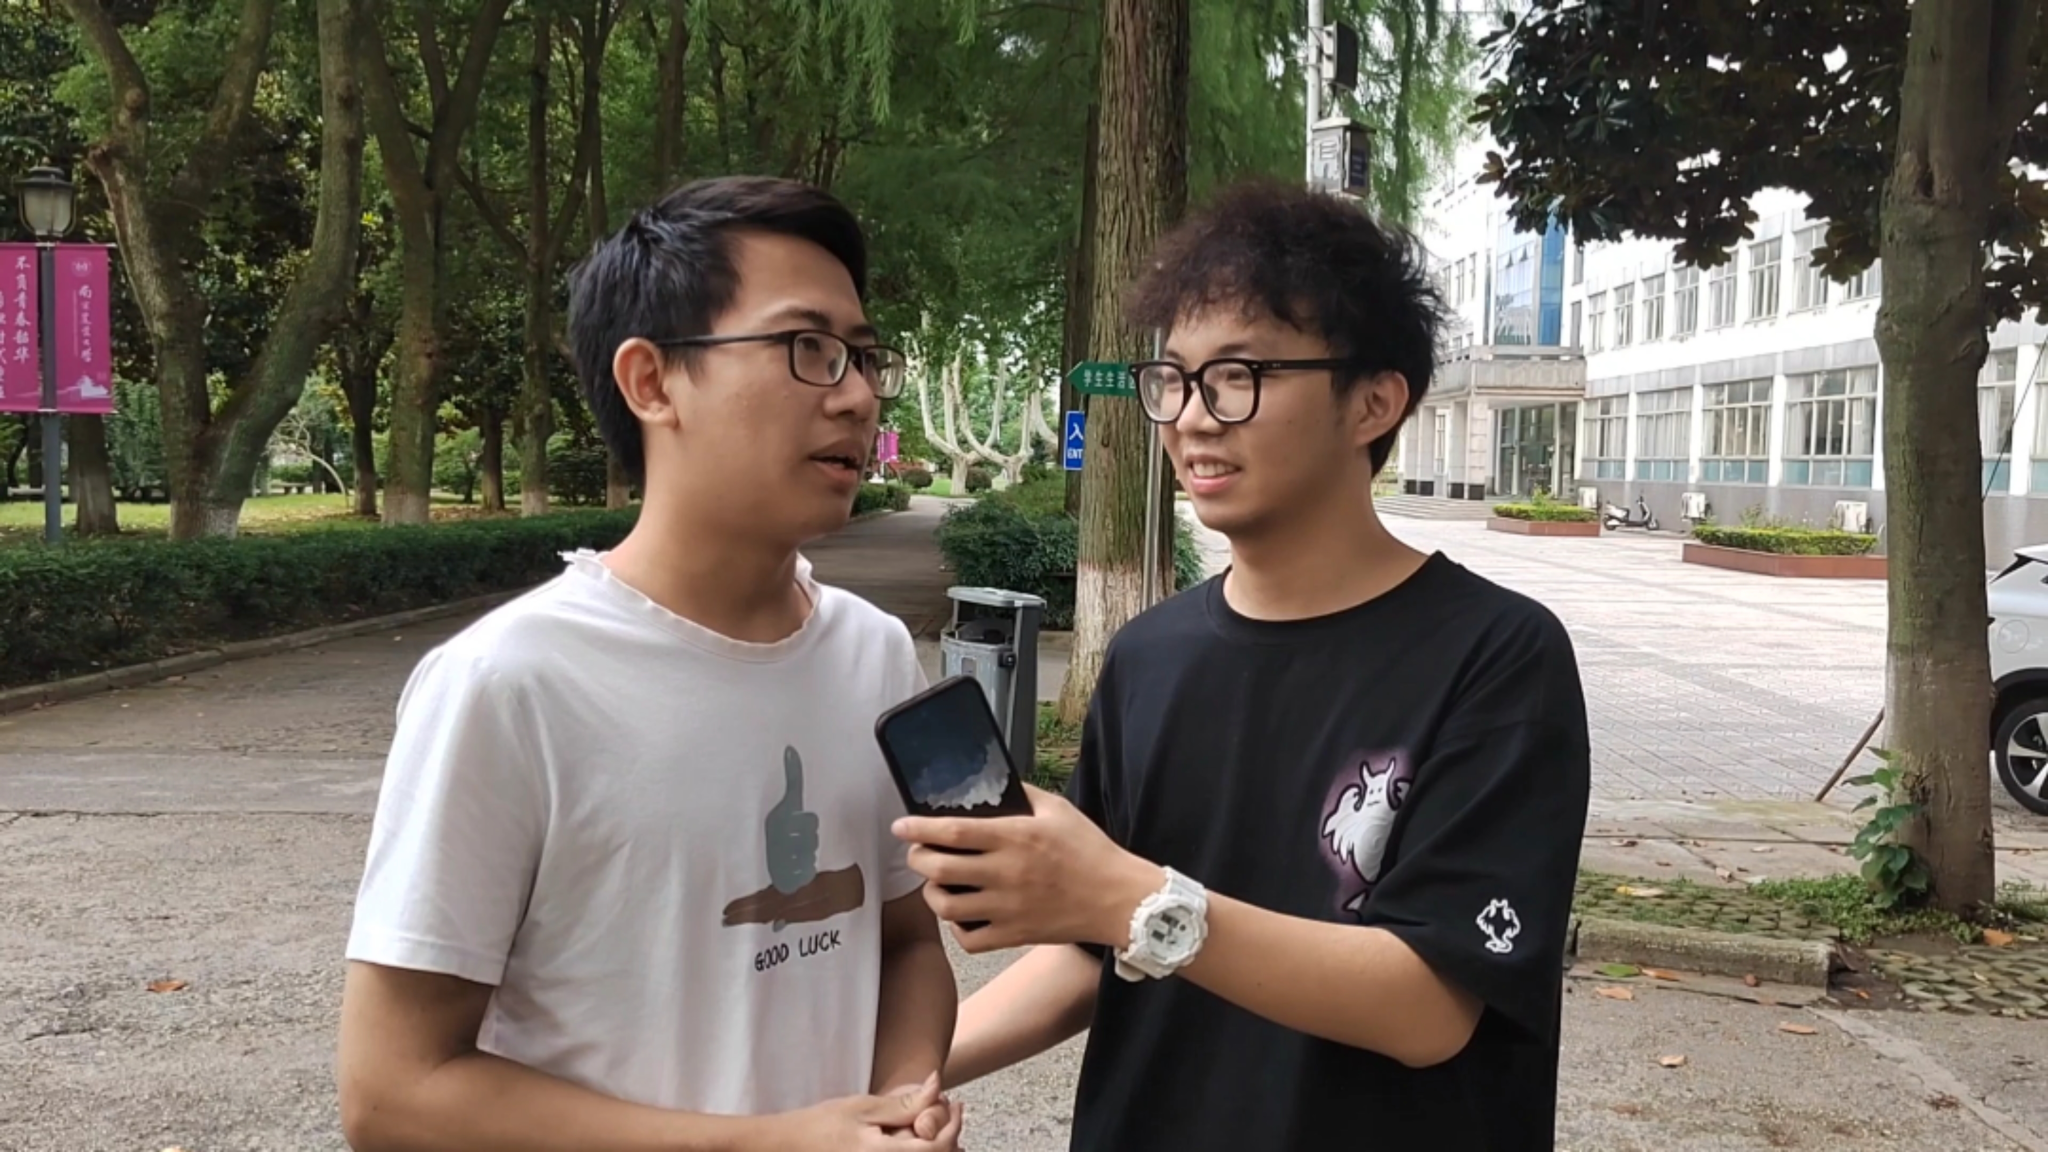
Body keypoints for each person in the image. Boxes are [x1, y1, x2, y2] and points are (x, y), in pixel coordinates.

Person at [893, 179, 1592, 1151]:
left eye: (1238, 375)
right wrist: (903, 1078)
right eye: (1173, 380)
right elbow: (1093, 952)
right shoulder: (1148, 656)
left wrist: (1122, 894)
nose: (1191, 417)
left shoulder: (1497, 656)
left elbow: (1428, 1005)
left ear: (1374, 401)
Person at [337, 175, 963, 1152]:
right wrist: (764, 1144)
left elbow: (907, 941)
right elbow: (393, 1092)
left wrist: (898, 1107)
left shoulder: (872, 653)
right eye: (807, 348)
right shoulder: (510, 683)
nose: (856, 394)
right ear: (651, 381)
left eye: (863, 355)